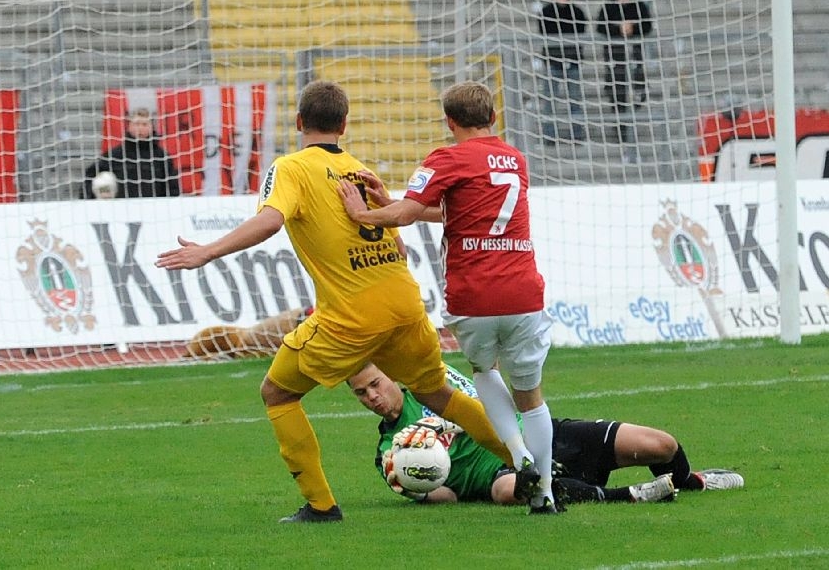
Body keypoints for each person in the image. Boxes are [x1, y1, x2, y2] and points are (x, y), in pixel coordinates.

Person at [155, 80, 513, 524]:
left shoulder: (291, 168)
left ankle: (321, 506)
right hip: (404, 300)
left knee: (277, 393)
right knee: (438, 393)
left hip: (353, 313)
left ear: (300, 122)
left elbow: (269, 221)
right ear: (344, 125)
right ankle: (526, 463)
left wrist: (206, 252)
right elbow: (398, 249)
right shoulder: (358, 170)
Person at [338, 81, 559, 514]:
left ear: (449, 121)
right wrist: (395, 202)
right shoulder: (516, 160)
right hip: (524, 289)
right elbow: (460, 209)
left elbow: (407, 214)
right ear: (493, 118)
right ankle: (546, 492)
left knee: (482, 371)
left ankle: (519, 458)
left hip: (474, 293)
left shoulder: (447, 157)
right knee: (530, 394)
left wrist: (364, 213)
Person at [349, 363, 745, 505]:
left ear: (390, 375)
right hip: (499, 476)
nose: (372, 396)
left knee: (660, 445)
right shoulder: (389, 452)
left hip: (543, 436)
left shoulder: (432, 386)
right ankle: (629, 496)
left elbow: (488, 398)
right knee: (509, 491)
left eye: (374, 384)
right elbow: (447, 495)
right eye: (361, 393)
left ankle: (692, 482)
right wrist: (416, 488)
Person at [595, 0, 653, 164]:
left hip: (635, 57)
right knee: (616, 94)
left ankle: (631, 124)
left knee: (638, 92)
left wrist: (633, 27)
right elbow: (600, 27)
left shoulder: (639, 6)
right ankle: (621, 130)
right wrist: (618, 28)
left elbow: (648, 26)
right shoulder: (608, 7)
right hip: (615, 58)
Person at [81, 107, 181, 199]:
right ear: (129, 126)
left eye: (145, 124)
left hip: (153, 211)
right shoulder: (115, 155)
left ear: (152, 127)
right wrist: (99, 194)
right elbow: (90, 178)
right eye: (136, 124)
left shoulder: (162, 157)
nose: (140, 128)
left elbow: (173, 189)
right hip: (122, 212)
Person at [537, 0, 588, 145]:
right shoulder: (546, 11)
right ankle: (549, 136)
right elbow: (545, 31)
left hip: (572, 61)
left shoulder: (577, 12)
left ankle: (577, 135)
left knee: (574, 100)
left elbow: (581, 30)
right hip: (553, 61)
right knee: (550, 101)